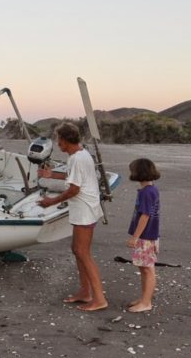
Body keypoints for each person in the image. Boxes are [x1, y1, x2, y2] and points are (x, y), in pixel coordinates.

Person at [38, 122, 108, 311]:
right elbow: (74, 177)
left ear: (65, 140)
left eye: (58, 138)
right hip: (86, 209)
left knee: (83, 253)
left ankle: (99, 299)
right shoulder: (80, 154)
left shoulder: (77, 158)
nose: (57, 142)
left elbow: (74, 189)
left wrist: (50, 202)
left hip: (85, 211)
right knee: (77, 250)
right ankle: (85, 293)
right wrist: (51, 175)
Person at [125, 158, 161, 313]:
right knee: (144, 268)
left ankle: (146, 302)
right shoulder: (150, 190)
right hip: (149, 236)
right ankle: (144, 298)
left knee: (147, 269)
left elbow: (145, 216)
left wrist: (135, 237)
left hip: (145, 236)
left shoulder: (147, 193)